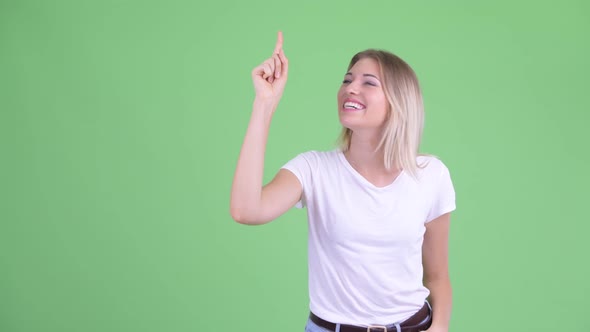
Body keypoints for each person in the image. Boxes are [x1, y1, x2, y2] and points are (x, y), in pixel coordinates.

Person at [230, 31, 456, 332]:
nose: (351, 89)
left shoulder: (431, 174)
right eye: (347, 80)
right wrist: (264, 104)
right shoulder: (313, 170)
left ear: (398, 101)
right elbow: (247, 210)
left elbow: (438, 276)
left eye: (368, 83)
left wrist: (439, 328)